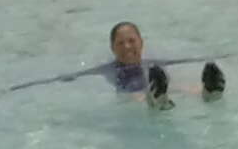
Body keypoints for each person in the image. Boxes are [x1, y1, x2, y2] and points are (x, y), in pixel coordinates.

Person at [14, 22, 225, 99]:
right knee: (137, 95)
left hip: (155, 80)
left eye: (131, 41)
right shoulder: (110, 70)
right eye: (120, 43)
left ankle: (210, 91)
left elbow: (182, 60)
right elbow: (74, 76)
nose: (127, 47)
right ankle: (156, 99)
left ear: (141, 43)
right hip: (132, 93)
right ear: (112, 48)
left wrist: (211, 58)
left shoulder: (153, 62)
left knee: (182, 87)